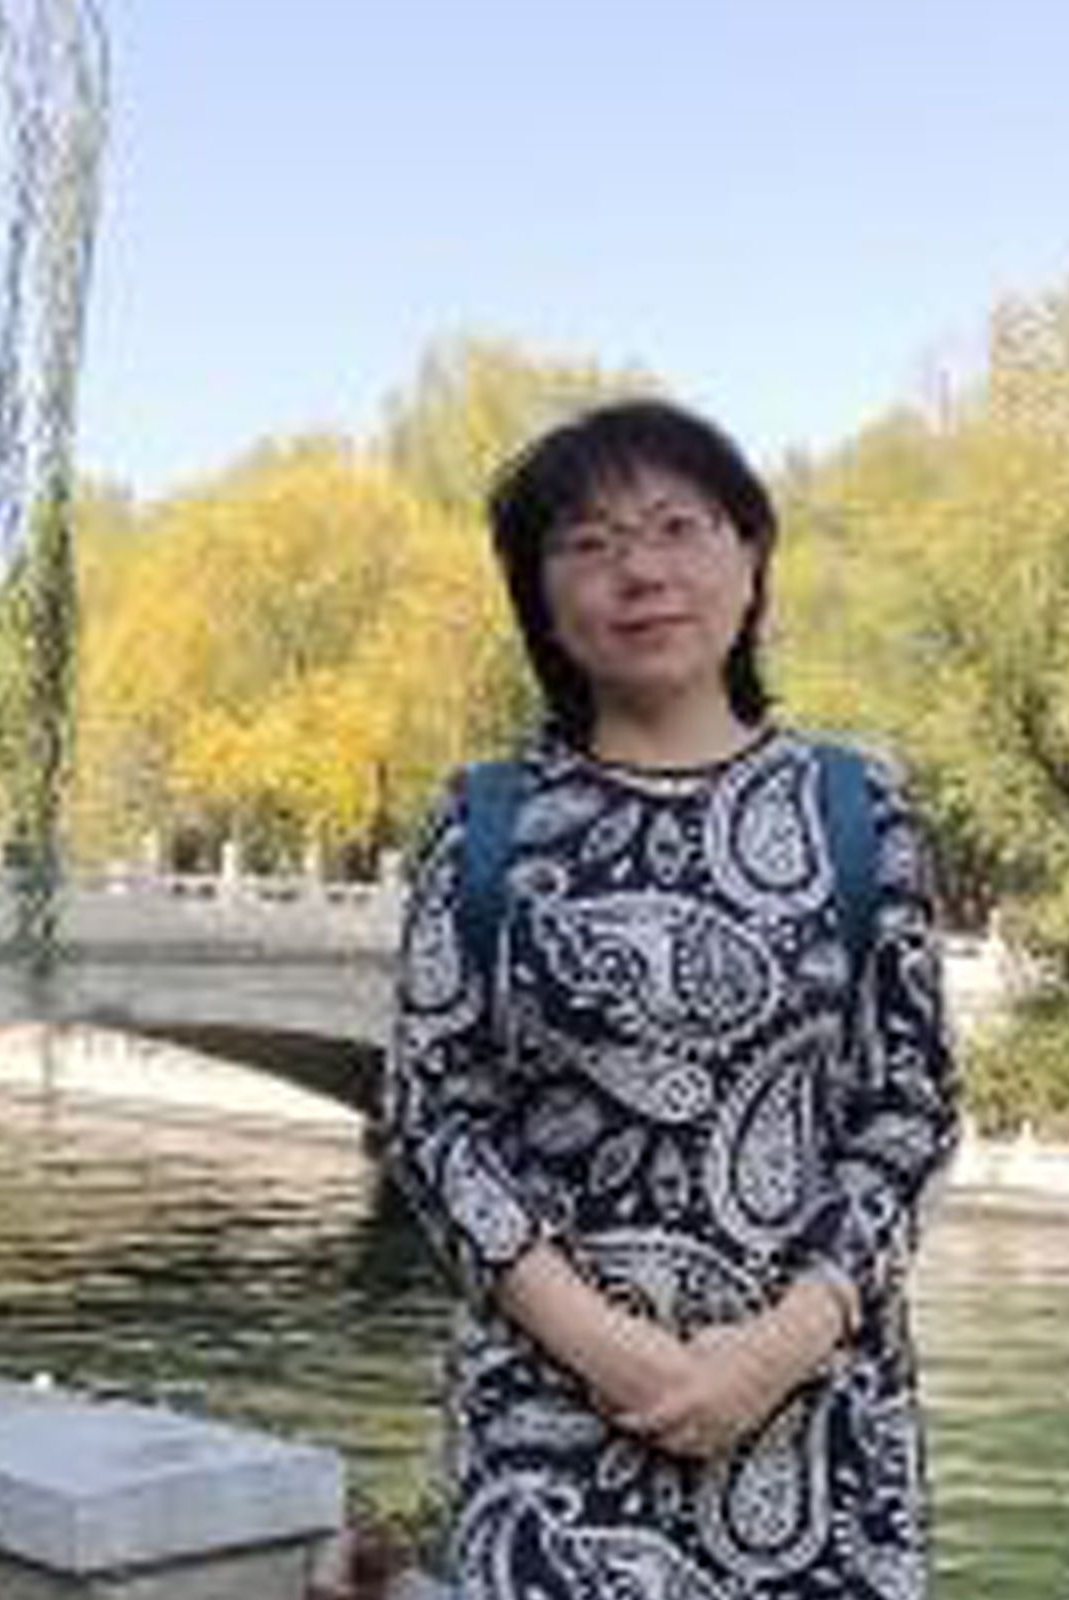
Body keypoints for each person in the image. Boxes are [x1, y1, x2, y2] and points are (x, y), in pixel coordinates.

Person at [385, 398, 958, 1599]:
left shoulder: (857, 809)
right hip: (549, 1428)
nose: (639, 571)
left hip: (815, 1423)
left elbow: (909, 1111)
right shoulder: (485, 822)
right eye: (587, 543)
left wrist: (775, 1348)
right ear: (541, 599)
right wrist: (612, 1352)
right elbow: (434, 1119)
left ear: (750, 557)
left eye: (676, 527)